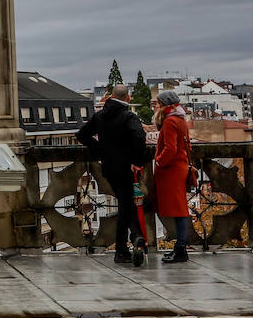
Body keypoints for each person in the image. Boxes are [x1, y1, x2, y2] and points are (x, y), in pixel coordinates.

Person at [76, 84, 148, 265]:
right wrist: (136, 161)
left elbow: (82, 135)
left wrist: (100, 151)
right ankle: (128, 244)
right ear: (128, 98)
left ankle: (131, 241)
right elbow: (139, 137)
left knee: (126, 204)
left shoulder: (100, 116)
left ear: (110, 96)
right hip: (126, 168)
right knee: (126, 206)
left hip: (109, 168)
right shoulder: (128, 116)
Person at [152, 91, 192, 264]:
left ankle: (181, 249)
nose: (155, 107)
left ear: (166, 105)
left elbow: (170, 148)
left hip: (172, 170)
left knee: (180, 210)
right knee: (179, 209)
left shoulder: (169, 121)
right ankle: (179, 248)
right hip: (180, 167)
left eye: (158, 104)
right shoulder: (180, 119)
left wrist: (159, 162)